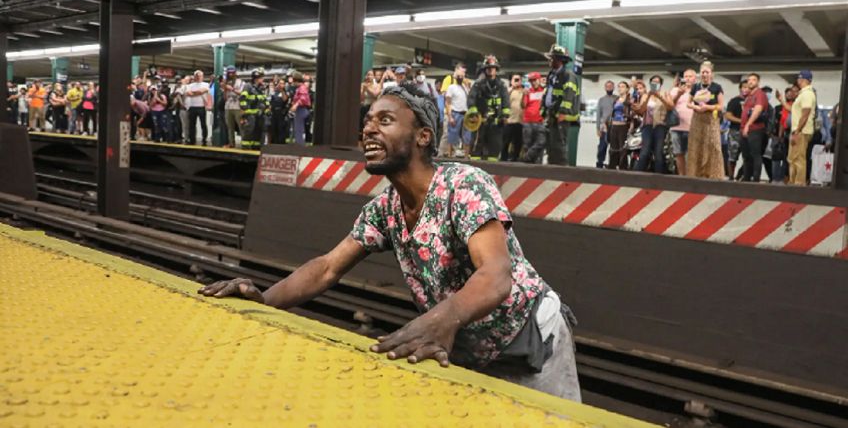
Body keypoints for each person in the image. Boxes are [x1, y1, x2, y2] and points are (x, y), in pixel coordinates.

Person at [199, 84, 581, 402]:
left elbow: (497, 275)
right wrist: (264, 301)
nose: (368, 130)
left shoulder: (463, 185)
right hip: (472, 349)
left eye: (385, 120)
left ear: (423, 136)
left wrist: (439, 320)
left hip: (532, 341)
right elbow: (329, 267)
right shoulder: (385, 210)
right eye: (367, 122)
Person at [541, 45, 580, 166]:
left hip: (562, 117)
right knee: (551, 147)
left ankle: (562, 174)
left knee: (559, 147)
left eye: (552, 58)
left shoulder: (568, 76)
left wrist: (563, 113)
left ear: (559, 60)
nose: (550, 60)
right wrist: (543, 110)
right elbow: (548, 93)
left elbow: (568, 97)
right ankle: (552, 170)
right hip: (552, 116)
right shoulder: (552, 75)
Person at [686, 61, 725, 180]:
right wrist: (696, 107)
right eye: (702, 72)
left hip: (711, 120)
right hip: (697, 119)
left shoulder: (716, 87)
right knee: (695, 146)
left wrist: (707, 107)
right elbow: (688, 103)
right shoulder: (696, 87)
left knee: (713, 146)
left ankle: (714, 174)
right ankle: (694, 174)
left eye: (707, 72)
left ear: (711, 74)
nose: (704, 74)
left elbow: (721, 106)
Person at [467, 55, 509, 160]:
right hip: (480, 121)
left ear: (496, 70)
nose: (491, 70)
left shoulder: (501, 85)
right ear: (485, 69)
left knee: (494, 149)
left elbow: (506, 102)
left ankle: (494, 172)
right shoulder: (478, 85)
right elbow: (471, 100)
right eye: (488, 68)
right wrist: (474, 115)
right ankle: (474, 168)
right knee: (476, 148)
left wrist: (505, 116)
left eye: (493, 68)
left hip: (496, 123)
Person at [633, 76, 674, 174]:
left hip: (660, 125)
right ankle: (637, 176)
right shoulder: (645, 95)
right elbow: (641, 111)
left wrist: (659, 96)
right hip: (647, 125)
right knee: (645, 151)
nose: (655, 83)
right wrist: (648, 97)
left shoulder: (665, 93)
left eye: (657, 82)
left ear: (661, 84)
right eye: (653, 82)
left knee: (658, 152)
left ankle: (659, 177)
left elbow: (671, 107)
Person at [788, 70, 816, 185]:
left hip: (801, 131)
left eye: (799, 79)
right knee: (792, 159)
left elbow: (805, 113)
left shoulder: (807, 94)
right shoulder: (803, 94)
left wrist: (797, 131)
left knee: (799, 159)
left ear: (804, 80)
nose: (798, 81)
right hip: (798, 130)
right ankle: (793, 182)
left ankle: (799, 184)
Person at [740, 73, 768, 182]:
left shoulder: (760, 94)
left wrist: (748, 125)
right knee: (746, 156)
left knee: (756, 155)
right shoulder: (749, 96)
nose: (751, 82)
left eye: (753, 80)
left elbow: (758, 110)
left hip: (755, 129)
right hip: (744, 129)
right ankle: (746, 179)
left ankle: (756, 180)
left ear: (758, 82)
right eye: (749, 80)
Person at [669, 69, 696, 175]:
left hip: (692, 127)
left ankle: (691, 176)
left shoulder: (698, 90)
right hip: (676, 126)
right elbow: (669, 105)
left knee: (691, 154)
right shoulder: (675, 90)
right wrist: (679, 94)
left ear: (695, 78)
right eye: (686, 76)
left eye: (690, 76)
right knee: (678, 153)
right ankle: (681, 176)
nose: (688, 78)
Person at [238, 68, 269, 150]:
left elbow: (264, 99)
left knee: (258, 131)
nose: (263, 79)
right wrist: (245, 110)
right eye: (261, 78)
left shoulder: (261, 88)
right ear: (256, 78)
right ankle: (246, 147)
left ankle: (256, 147)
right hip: (250, 114)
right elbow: (242, 98)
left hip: (259, 114)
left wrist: (267, 108)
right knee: (249, 131)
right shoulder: (248, 86)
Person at [444, 70, 471, 158]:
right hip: (455, 113)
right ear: (455, 77)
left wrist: (468, 86)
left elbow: (470, 99)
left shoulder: (465, 88)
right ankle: (449, 155)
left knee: (467, 135)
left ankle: (466, 156)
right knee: (452, 135)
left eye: (462, 76)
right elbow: (448, 103)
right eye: (458, 76)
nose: (460, 78)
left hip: (466, 113)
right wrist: (450, 116)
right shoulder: (452, 87)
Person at [724, 81, 747, 180]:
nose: (746, 89)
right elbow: (728, 115)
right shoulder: (734, 101)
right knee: (732, 156)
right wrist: (741, 121)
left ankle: (741, 176)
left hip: (749, 132)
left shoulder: (753, 101)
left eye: (748, 87)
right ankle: (731, 177)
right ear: (740, 88)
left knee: (748, 157)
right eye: (744, 87)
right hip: (735, 131)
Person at [521, 72, 546, 164]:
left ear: (539, 80)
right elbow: (523, 105)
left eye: (534, 80)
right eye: (531, 81)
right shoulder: (528, 92)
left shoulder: (544, 91)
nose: (533, 82)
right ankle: (528, 165)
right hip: (528, 122)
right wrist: (523, 95)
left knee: (541, 143)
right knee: (527, 144)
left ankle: (527, 157)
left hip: (540, 122)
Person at [607, 81, 631, 170]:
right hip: (614, 125)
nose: (620, 88)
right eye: (619, 86)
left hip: (623, 126)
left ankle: (623, 166)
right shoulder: (616, 100)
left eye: (622, 86)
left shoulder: (629, 100)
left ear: (627, 89)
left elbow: (631, 113)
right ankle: (612, 165)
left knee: (622, 148)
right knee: (613, 148)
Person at [501, 74, 525, 162]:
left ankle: (515, 158)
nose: (517, 81)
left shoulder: (524, 91)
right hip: (509, 120)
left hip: (520, 121)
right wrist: (512, 87)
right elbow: (504, 99)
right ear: (511, 81)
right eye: (515, 79)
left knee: (518, 142)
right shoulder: (508, 91)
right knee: (506, 142)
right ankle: (503, 158)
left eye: (519, 79)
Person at [185, 70, 211, 145]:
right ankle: (192, 140)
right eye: (196, 75)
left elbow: (201, 91)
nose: (198, 77)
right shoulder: (190, 85)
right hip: (192, 107)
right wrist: (198, 92)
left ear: (202, 77)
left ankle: (204, 140)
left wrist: (194, 93)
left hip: (202, 107)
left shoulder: (206, 84)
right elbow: (189, 93)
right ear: (194, 76)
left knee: (203, 124)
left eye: (200, 75)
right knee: (192, 125)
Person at [222, 66, 244, 148]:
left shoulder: (240, 82)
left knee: (241, 126)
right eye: (229, 73)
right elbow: (225, 98)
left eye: (232, 72)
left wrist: (231, 89)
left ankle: (244, 143)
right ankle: (231, 143)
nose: (231, 74)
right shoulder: (226, 82)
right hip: (228, 106)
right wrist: (224, 89)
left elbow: (241, 93)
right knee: (229, 126)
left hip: (238, 106)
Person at [596, 81, 616, 169]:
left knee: (613, 148)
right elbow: (598, 114)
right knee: (602, 147)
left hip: (615, 127)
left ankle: (612, 164)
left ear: (613, 87)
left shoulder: (617, 99)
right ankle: (600, 163)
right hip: (604, 128)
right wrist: (597, 128)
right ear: (605, 88)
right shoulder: (601, 100)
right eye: (607, 86)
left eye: (611, 86)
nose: (609, 88)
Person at [269, 79, 291, 145]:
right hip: (274, 113)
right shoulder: (274, 92)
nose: (281, 85)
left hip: (281, 113)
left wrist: (282, 91)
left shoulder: (285, 92)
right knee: (274, 129)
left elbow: (285, 99)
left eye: (282, 83)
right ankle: (274, 143)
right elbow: (271, 102)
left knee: (281, 129)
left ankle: (281, 144)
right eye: (280, 83)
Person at [360, 70, 381, 136]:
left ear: (374, 76)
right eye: (367, 75)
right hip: (365, 107)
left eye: (371, 75)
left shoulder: (377, 85)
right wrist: (363, 90)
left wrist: (367, 88)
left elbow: (375, 95)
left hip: (373, 108)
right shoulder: (363, 85)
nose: (369, 76)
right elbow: (361, 99)